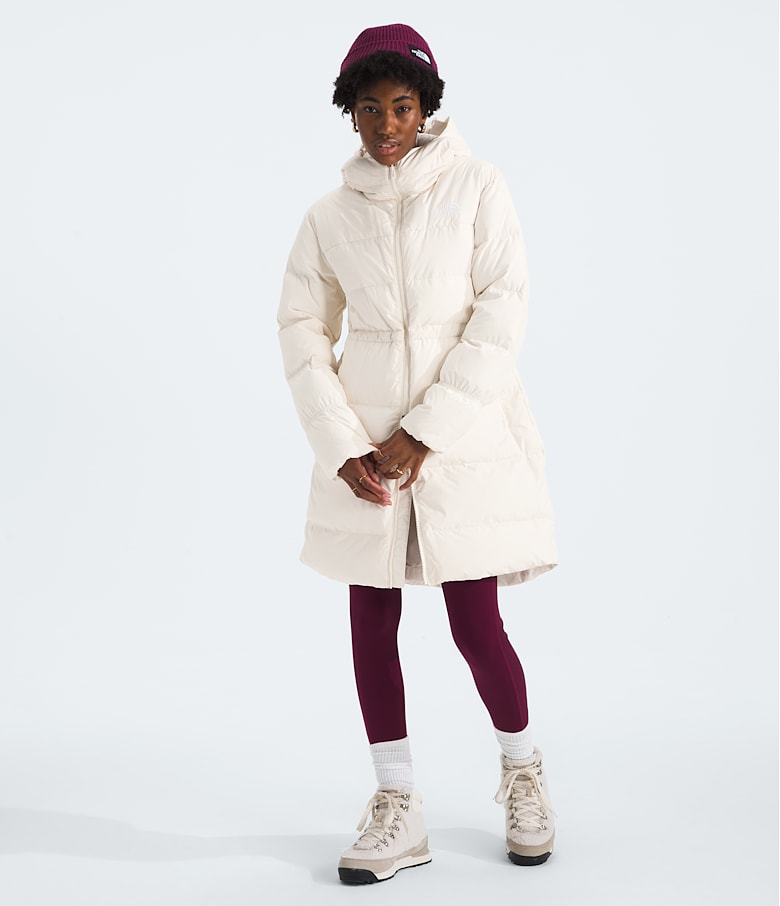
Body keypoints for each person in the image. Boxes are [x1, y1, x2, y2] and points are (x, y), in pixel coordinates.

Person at [277, 23, 559, 885]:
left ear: (427, 106)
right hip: (366, 452)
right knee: (371, 623)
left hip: (464, 445)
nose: (387, 125)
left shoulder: (479, 187)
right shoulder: (328, 216)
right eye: (369, 109)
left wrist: (427, 430)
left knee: (476, 624)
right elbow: (301, 330)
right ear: (350, 113)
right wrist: (342, 445)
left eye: (402, 107)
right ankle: (397, 802)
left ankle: (523, 773)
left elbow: (501, 313)